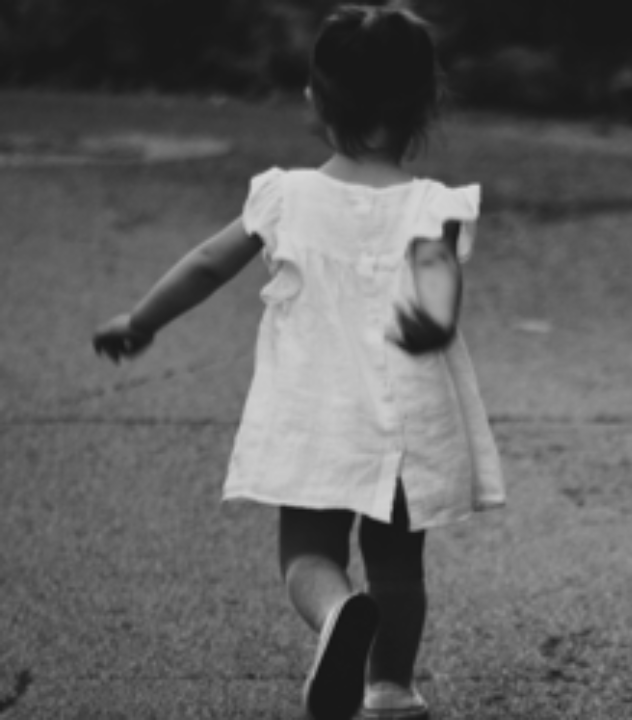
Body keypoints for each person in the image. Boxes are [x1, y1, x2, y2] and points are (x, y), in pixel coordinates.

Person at [91, 5, 505, 719]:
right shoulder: (432, 207)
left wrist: (142, 320)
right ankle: (390, 688)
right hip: (405, 426)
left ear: (316, 100)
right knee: (400, 568)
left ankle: (337, 611)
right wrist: (414, 321)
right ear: (426, 102)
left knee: (307, 556)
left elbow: (205, 264)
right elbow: (433, 318)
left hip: (315, 416)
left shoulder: (285, 195)